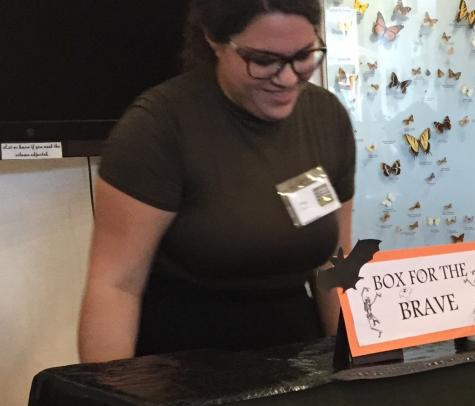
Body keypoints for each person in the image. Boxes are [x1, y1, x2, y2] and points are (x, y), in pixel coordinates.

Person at [78, 0, 355, 362]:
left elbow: (336, 262)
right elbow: (115, 287)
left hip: (299, 362)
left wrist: (353, 364)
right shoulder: (157, 128)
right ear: (215, 40)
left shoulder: (326, 118)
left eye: (303, 56)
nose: (288, 78)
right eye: (264, 60)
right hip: (186, 373)